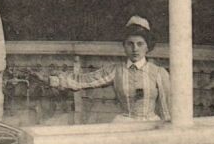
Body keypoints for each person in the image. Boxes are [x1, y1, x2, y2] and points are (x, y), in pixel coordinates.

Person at [41, 16, 171, 122]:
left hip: (150, 126)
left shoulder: (159, 73)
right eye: (130, 44)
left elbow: (167, 111)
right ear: (124, 46)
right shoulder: (116, 70)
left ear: (147, 47)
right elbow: (84, 80)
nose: (135, 49)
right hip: (125, 125)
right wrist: (53, 80)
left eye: (140, 44)